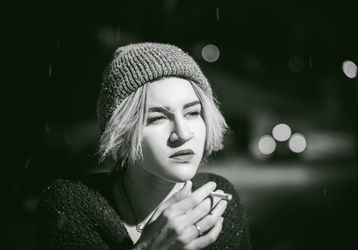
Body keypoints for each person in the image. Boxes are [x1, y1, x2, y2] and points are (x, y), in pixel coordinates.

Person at [38, 43, 251, 249]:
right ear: (121, 131)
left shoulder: (218, 201)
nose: (183, 134)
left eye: (192, 113)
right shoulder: (72, 205)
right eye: (157, 118)